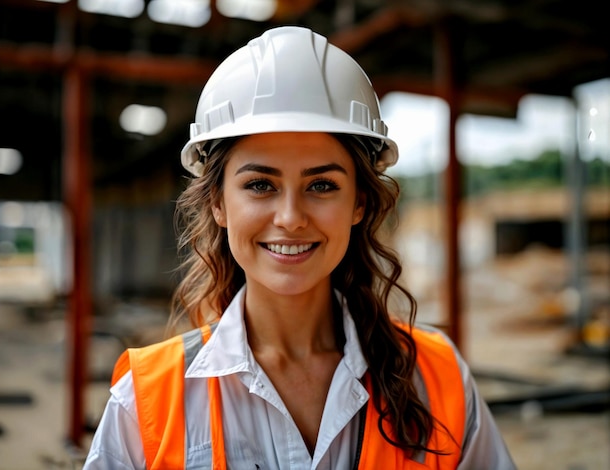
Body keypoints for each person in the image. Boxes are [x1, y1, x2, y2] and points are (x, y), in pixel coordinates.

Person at [83, 25, 516, 469]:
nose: (290, 217)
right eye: (260, 185)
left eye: (322, 184)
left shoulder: (437, 377)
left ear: (359, 203)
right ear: (218, 204)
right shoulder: (146, 400)